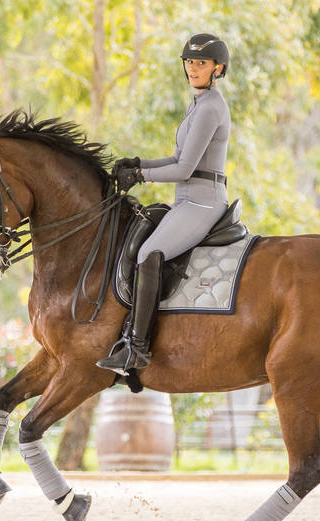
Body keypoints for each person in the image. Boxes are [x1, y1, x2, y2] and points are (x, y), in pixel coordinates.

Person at [97, 32, 231, 375]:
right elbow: (177, 156)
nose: (193, 68)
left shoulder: (212, 106)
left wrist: (141, 176)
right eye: (189, 62)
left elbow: (185, 169)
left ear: (218, 68)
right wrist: (139, 162)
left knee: (148, 254)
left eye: (201, 63)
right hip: (187, 199)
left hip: (202, 203)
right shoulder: (198, 103)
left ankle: (137, 348)